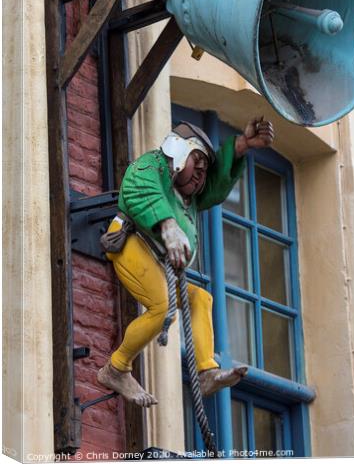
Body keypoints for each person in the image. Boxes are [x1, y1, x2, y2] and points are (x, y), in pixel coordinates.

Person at [97, 116, 274, 407]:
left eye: (204, 171)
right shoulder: (152, 166)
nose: (200, 175)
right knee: (162, 305)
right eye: (197, 163)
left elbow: (215, 188)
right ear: (178, 153)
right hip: (132, 243)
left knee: (199, 298)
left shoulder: (189, 198)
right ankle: (116, 369)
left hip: (158, 262)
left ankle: (206, 371)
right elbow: (139, 188)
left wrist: (242, 145)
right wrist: (167, 225)